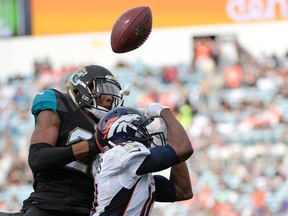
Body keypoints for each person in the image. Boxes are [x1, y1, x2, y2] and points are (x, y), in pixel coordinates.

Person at [21, 65, 126, 216]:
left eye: (114, 92)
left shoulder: (114, 129)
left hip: (88, 209)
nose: (110, 97)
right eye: (104, 88)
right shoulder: (60, 104)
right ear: (80, 89)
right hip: (48, 204)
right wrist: (90, 145)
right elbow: (38, 158)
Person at [91, 103, 194, 216]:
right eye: (143, 129)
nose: (148, 135)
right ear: (124, 128)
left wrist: (170, 139)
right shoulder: (119, 154)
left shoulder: (126, 169)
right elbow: (184, 149)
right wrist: (164, 111)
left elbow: (183, 191)